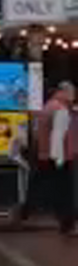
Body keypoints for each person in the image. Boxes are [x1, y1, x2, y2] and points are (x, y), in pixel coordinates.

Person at [34, 81, 77, 235]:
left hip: (46, 154)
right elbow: (58, 136)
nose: (74, 96)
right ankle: (67, 224)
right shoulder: (60, 109)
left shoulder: (48, 106)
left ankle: (26, 211)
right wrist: (60, 158)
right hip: (61, 156)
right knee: (66, 192)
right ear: (64, 92)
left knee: (51, 189)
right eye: (72, 93)